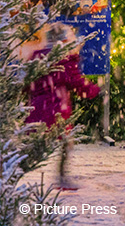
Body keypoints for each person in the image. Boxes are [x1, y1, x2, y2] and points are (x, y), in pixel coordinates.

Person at [25, 23, 100, 190]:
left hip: (37, 109)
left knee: (33, 146)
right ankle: (62, 178)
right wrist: (95, 90)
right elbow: (77, 84)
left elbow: (26, 84)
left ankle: (11, 172)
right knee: (66, 143)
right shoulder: (64, 60)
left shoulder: (36, 57)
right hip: (57, 111)